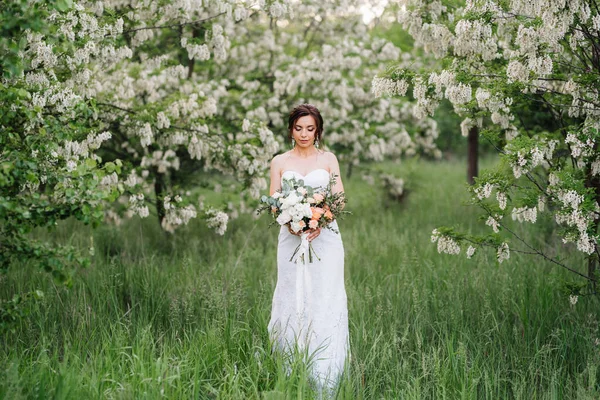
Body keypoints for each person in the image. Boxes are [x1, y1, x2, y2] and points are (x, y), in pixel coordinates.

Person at [267, 104, 350, 393]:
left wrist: (320, 220)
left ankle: (326, 373)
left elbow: (339, 199)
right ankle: (288, 366)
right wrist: (290, 222)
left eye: (310, 129)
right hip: (290, 239)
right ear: (291, 129)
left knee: (325, 296)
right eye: (299, 128)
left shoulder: (328, 159)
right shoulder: (279, 161)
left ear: (318, 131)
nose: (304, 134)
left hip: (325, 239)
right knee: (292, 294)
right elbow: (274, 201)